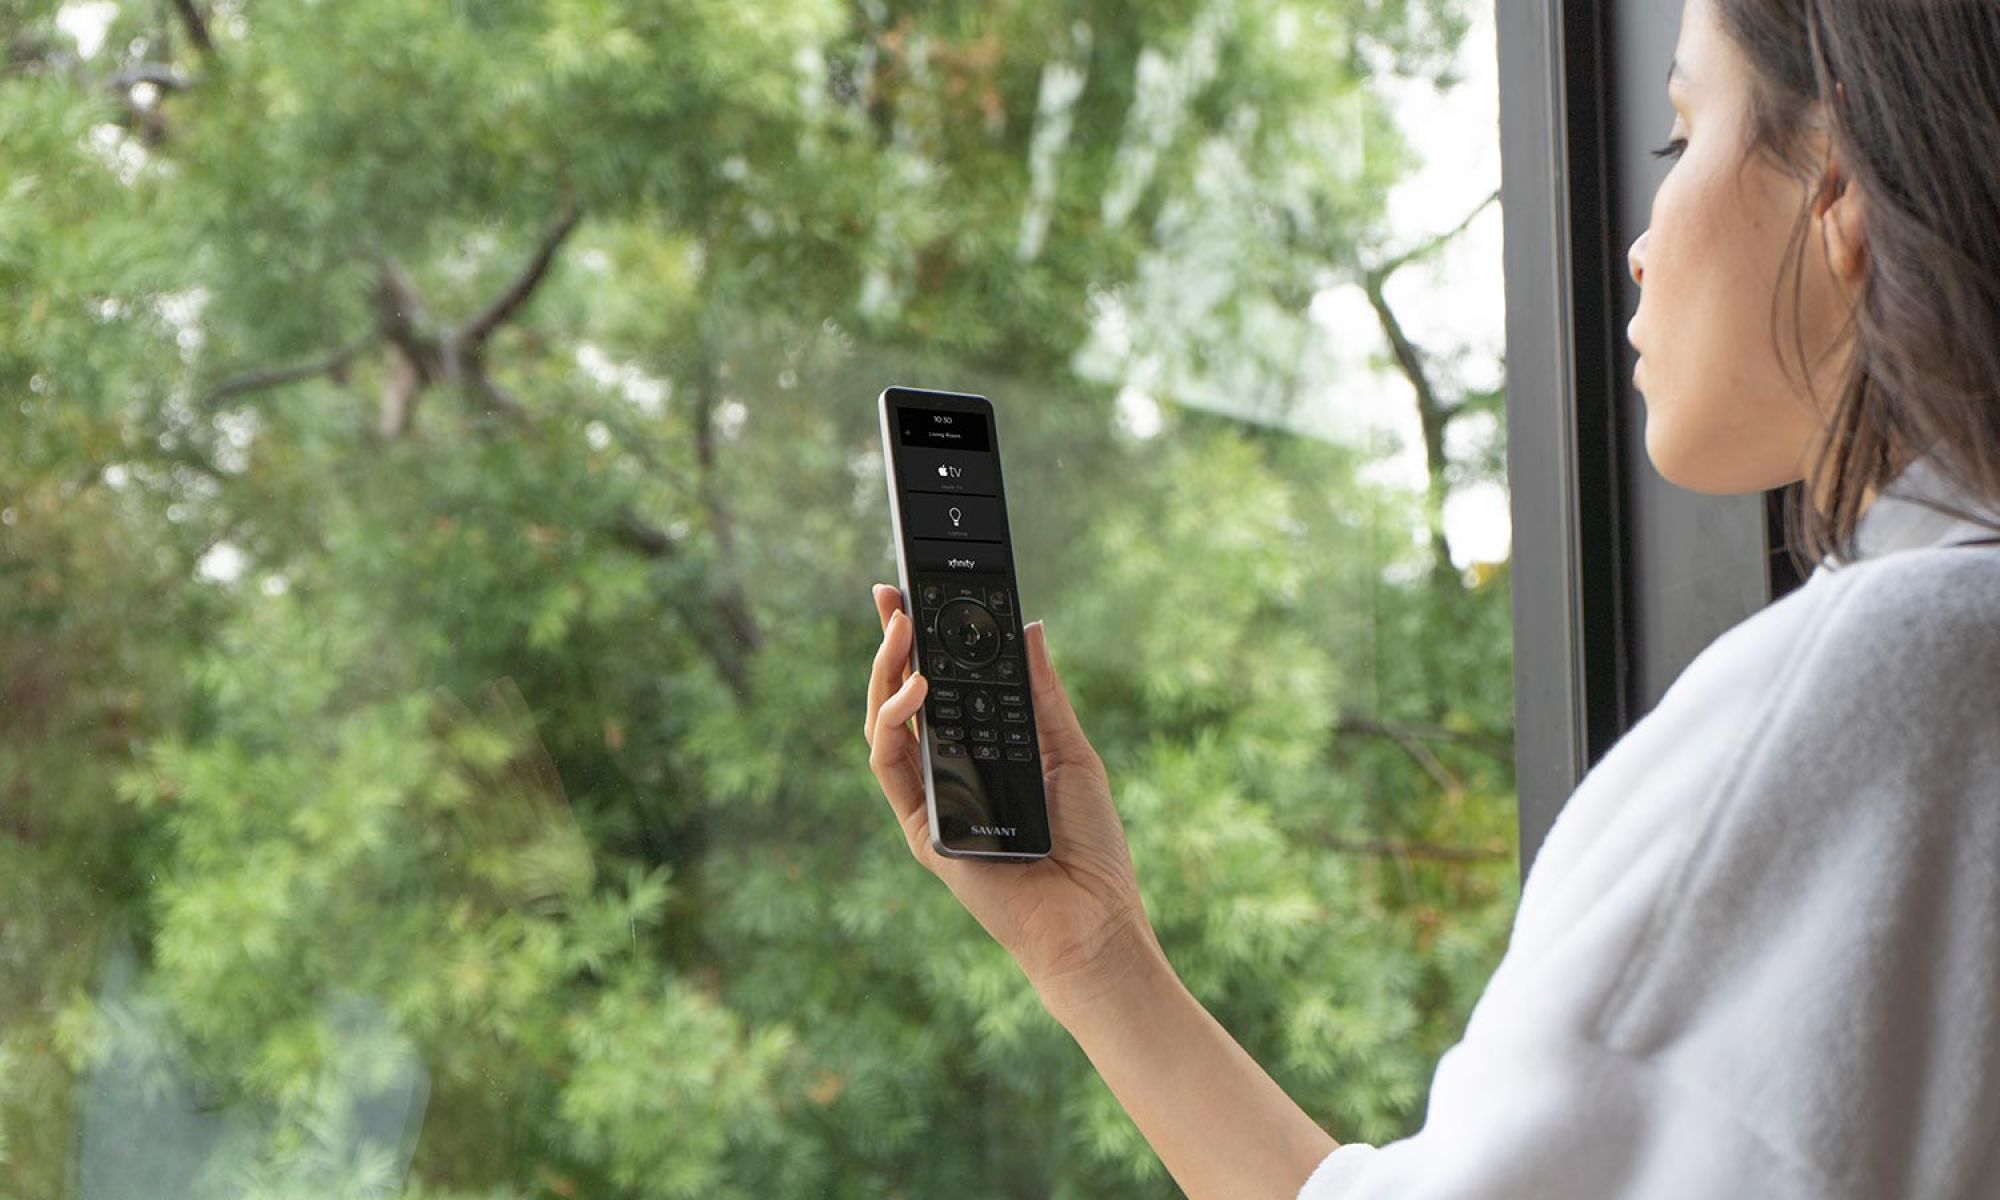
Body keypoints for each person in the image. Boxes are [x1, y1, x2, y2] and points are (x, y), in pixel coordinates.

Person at [863, 0, 2000, 1193]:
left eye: (1678, 137)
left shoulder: (1876, 689)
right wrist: (1089, 952)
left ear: (1839, 184)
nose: (1638, 243)